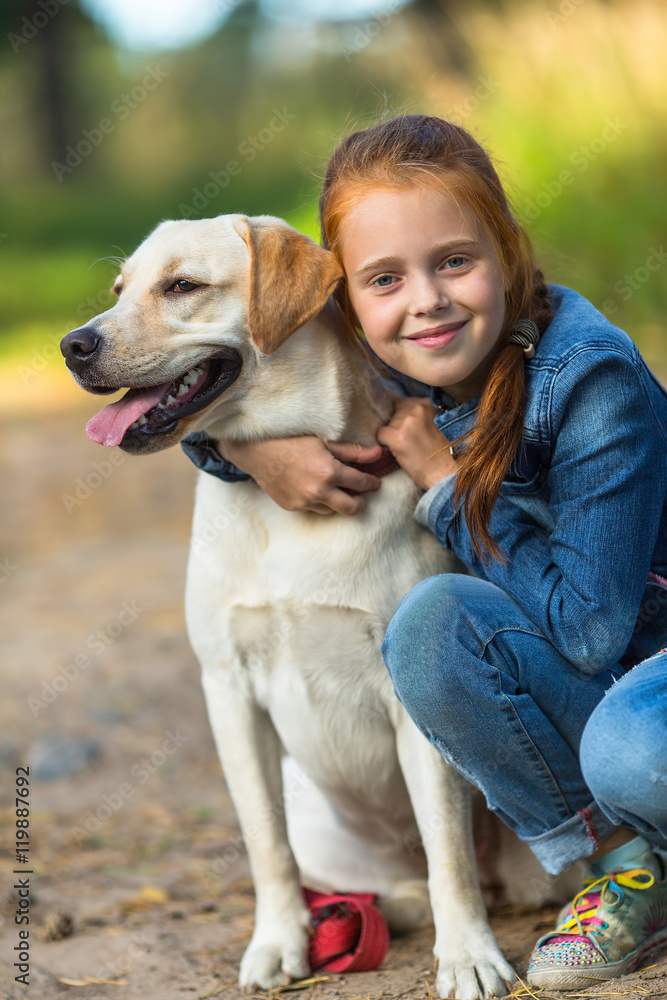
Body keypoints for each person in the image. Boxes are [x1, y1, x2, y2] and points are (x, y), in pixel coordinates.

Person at [181, 115, 667, 990]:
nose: (426, 301)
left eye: (454, 261)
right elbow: (247, 374)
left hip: (644, 666)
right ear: (343, 303)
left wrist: (447, 488)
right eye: (385, 279)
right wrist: (245, 451)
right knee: (429, 623)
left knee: (632, 752)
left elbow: (590, 633)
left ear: (509, 253)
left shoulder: (591, 380)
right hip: (578, 688)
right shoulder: (406, 353)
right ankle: (631, 865)